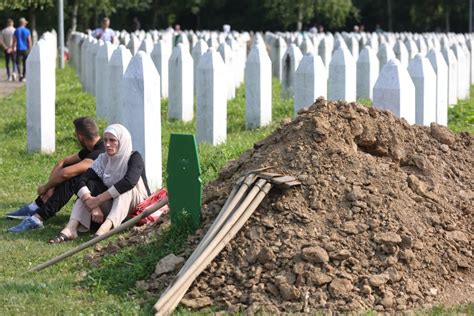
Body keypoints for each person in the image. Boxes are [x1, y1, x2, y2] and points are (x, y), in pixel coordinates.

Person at [48, 124, 150, 243]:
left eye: (112, 140)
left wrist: (98, 199)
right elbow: (81, 180)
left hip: (134, 207)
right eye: (105, 140)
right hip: (113, 207)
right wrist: (93, 204)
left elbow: (129, 182)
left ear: (122, 141)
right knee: (85, 193)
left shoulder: (134, 157)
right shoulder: (103, 158)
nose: (107, 144)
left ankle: (102, 231)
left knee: (126, 190)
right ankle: (70, 229)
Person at [7, 117, 105, 233]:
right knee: (68, 172)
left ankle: (38, 218)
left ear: (80, 136)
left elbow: (66, 174)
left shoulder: (99, 152)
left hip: (105, 197)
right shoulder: (91, 148)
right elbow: (63, 162)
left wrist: (46, 187)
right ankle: (37, 206)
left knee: (73, 177)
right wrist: (50, 189)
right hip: (91, 190)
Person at [12, 17, 32, 82]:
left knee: (18, 62)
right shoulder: (27, 31)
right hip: (25, 48)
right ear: (23, 23)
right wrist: (30, 49)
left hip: (18, 48)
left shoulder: (16, 30)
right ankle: (24, 76)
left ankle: (20, 74)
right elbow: (29, 41)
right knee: (25, 62)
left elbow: (14, 40)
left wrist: (13, 48)